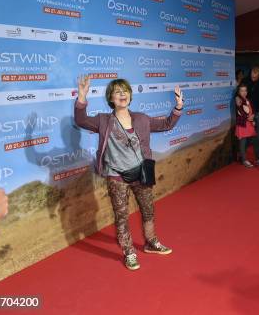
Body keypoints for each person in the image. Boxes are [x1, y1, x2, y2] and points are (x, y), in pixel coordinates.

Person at [74, 76, 182, 270]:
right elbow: (81, 120)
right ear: (111, 98)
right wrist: (82, 95)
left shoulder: (141, 118)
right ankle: (129, 251)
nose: (122, 94)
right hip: (117, 177)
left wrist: (178, 107)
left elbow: (167, 124)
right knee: (121, 216)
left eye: (125, 90)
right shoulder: (104, 121)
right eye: (117, 91)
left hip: (141, 174)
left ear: (130, 96)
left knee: (148, 210)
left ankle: (151, 242)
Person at [235, 84, 259, 167]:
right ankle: (244, 160)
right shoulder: (238, 99)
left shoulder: (247, 100)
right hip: (242, 123)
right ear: (238, 92)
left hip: (249, 123)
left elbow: (251, 110)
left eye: (245, 90)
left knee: (255, 140)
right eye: (242, 90)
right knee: (243, 142)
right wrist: (248, 118)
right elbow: (240, 111)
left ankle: (258, 159)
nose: (244, 92)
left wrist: (252, 117)